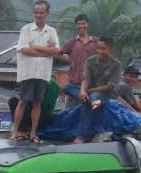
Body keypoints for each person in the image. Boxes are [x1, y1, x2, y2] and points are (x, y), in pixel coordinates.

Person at [11, 0, 60, 144]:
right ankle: (15, 132)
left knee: (37, 103)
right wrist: (46, 51)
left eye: (41, 12)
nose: (38, 15)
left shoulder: (52, 31)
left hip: (43, 73)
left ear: (47, 14)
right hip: (28, 73)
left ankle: (33, 133)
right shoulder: (26, 29)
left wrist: (36, 47)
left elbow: (57, 50)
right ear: (33, 13)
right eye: (36, 12)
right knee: (22, 102)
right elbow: (24, 49)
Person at [76, 36, 122, 143]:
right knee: (74, 91)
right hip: (90, 91)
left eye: (103, 49)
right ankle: (82, 135)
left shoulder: (116, 65)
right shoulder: (90, 61)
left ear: (110, 49)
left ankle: (82, 136)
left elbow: (110, 86)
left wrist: (91, 91)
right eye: (98, 48)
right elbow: (86, 78)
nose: (99, 51)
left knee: (93, 97)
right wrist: (83, 91)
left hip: (105, 94)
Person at [57, 14, 99, 107]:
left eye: (83, 23)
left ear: (87, 24)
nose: (81, 26)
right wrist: (70, 60)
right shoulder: (71, 42)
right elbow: (59, 54)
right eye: (79, 24)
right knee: (70, 112)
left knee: (89, 111)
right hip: (74, 84)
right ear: (76, 26)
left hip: (91, 84)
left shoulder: (95, 41)